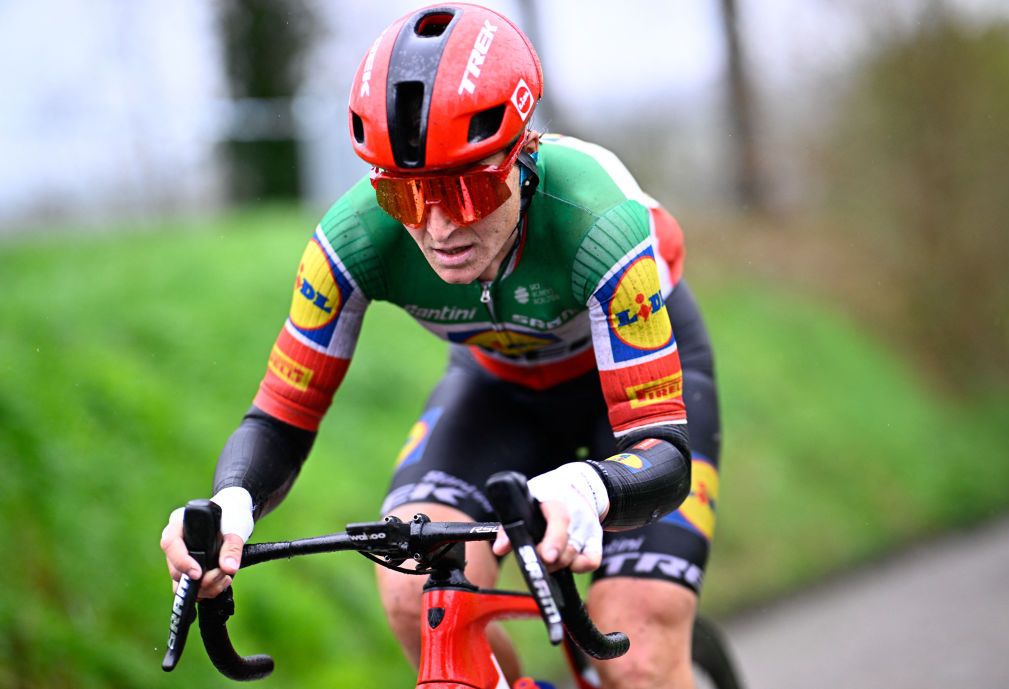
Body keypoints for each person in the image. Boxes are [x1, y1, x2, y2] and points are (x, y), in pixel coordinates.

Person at [161, 4, 721, 688]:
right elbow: (281, 414)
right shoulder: (353, 241)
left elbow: (662, 452)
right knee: (414, 591)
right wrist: (232, 505)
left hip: (625, 397)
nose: (439, 227)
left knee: (637, 647)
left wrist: (593, 485)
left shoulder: (600, 224)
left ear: (524, 154)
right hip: (498, 388)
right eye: (404, 196)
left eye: (469, 187)